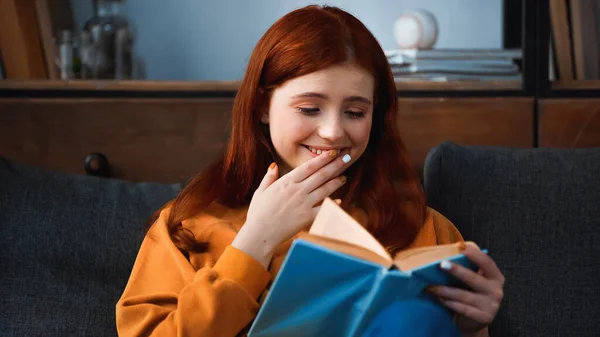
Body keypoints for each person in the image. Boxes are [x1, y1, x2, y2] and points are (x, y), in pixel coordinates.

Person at [116, 5, 504, 337]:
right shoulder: (187, 225)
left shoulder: (420, 226)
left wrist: (474, 327)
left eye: (355, 112)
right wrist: (254, 244)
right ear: (263, 107)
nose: (334, 132)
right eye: (309, 108)